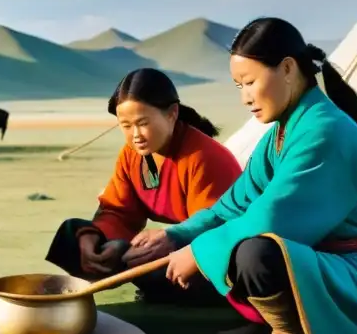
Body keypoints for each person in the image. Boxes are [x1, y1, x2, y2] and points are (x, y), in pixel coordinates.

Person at [157, 17, 357, 334]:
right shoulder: (279, 135)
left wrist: (198, 251)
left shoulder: (326, 131)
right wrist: (174, 236)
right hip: (330, 263)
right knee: (180, 261)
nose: (245, 98)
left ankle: (290, 333)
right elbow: (234, 206)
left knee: (257, 251)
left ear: (286, 69)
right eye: (238, 86)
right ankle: (279, 318)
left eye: (250, 82)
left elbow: (273, 220)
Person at [46, 67, 243, 305]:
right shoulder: (132, 155)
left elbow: (216, 225)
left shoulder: (205, 156)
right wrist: (95, 239)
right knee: (74, 233)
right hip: (172, 252)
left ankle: (175, 294)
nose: (135, 135)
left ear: (172, 114)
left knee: (143, 261)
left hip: (216, 260)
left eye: (142, 123)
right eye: (126, 125)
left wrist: (172, 239)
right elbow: (119, 212)